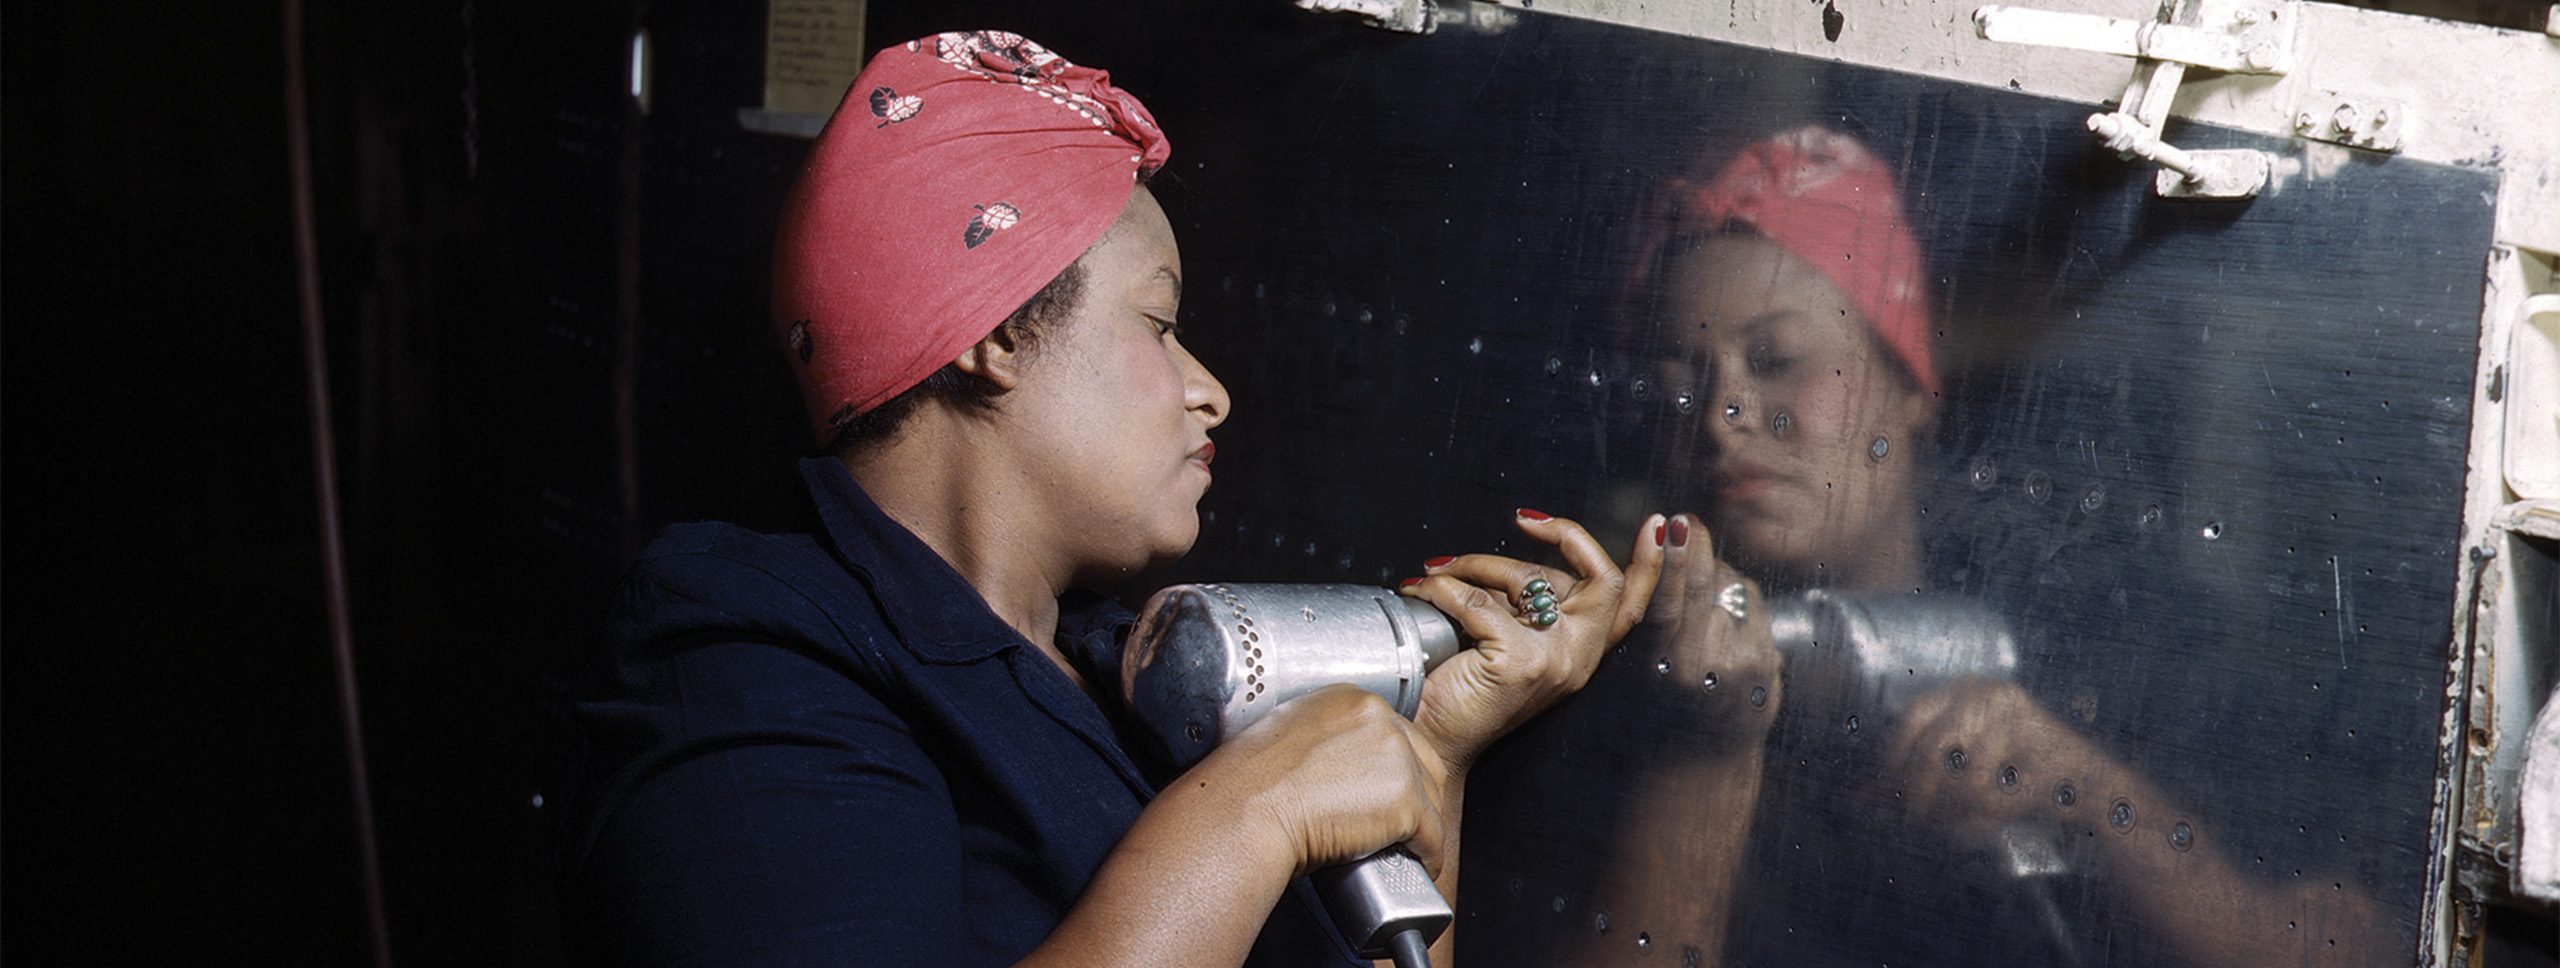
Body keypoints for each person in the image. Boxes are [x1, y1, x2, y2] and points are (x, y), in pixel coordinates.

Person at [554, 31, 1667, 968]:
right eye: (1156, 321)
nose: (1210, 390)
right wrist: (1261, 805)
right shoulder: (743, 652)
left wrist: (1430, 750)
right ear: (993, 329)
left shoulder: (1113, 676)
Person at [1569, 125, 2393, 967]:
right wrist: (1703, 754)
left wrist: (2097, 800)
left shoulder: (2119, 638)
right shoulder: (1609, 683)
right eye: (1678, 385)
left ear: (1909, 380)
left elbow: (2369, 945)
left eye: (1777, 360)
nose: (1720, 417)